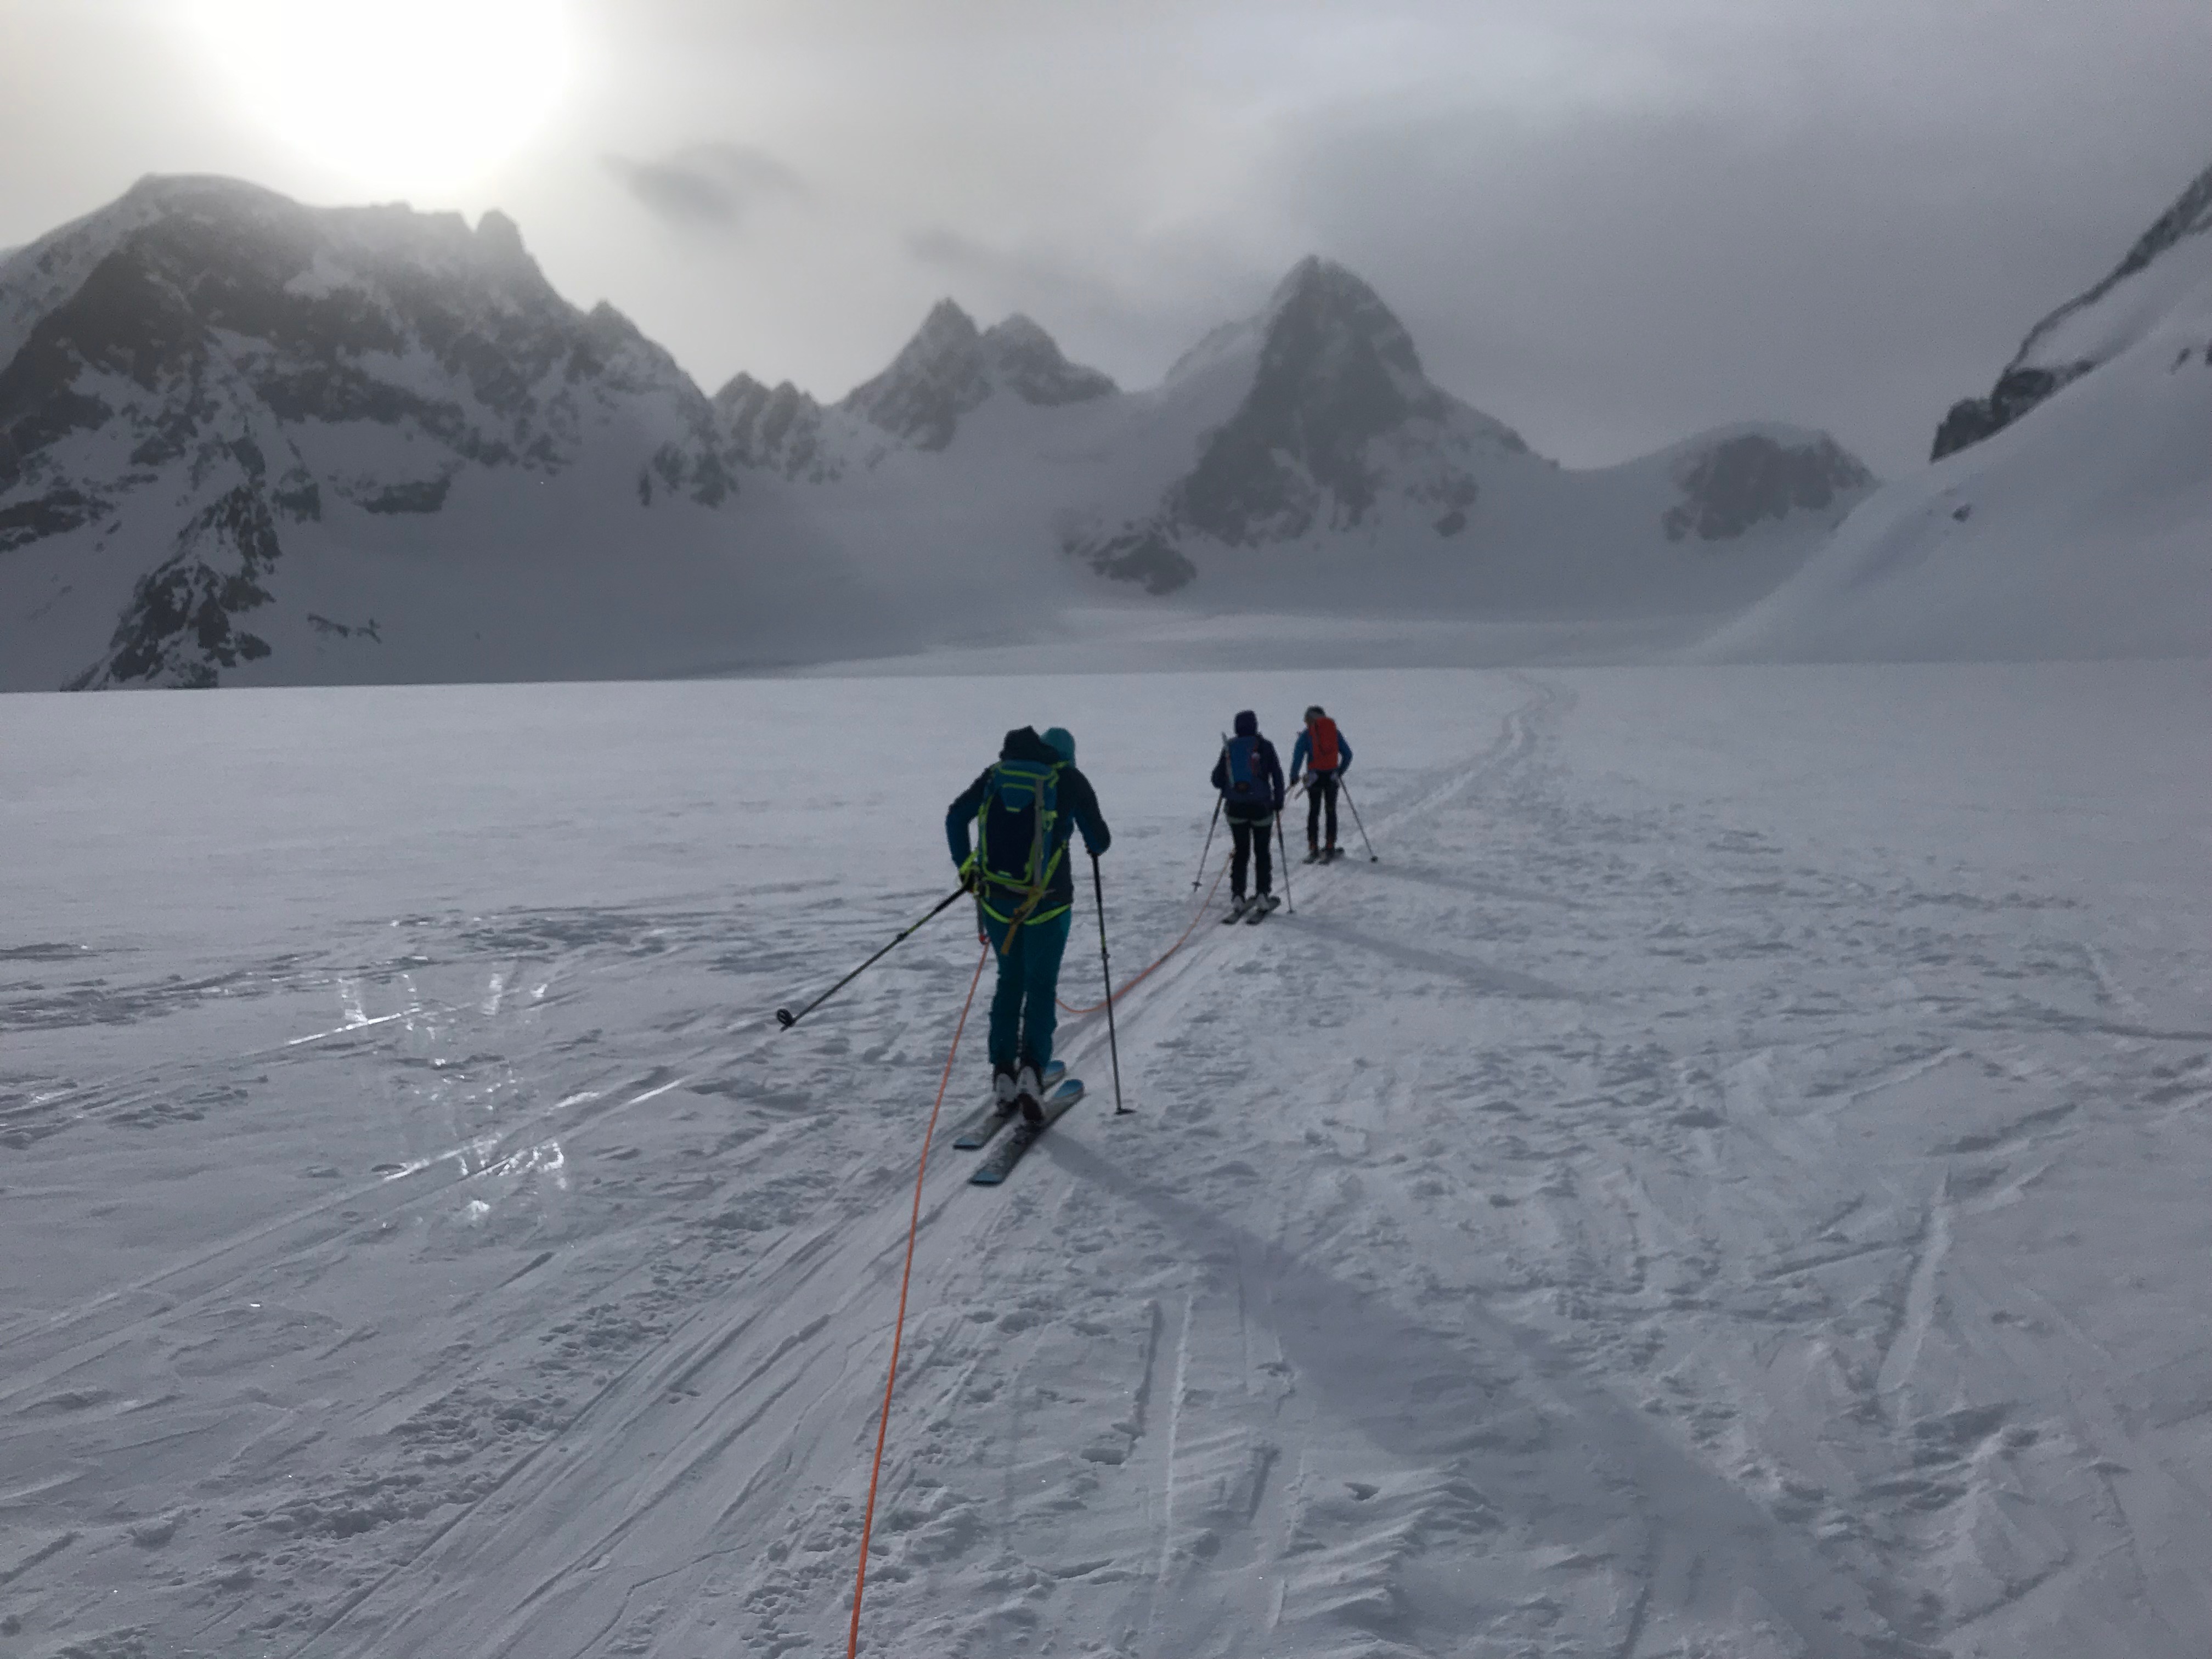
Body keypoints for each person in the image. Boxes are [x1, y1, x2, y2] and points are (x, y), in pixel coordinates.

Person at [946, 726, 1110, 1123]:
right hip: (1049, 904)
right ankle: (1032, 1073)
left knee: (1010, 980)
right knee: (1040, 985)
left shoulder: (997, 775)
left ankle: (1003, 1072)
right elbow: (1101, 841)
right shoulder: (1070, 780)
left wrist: (967, 868)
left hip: (998, 902)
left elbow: (955, 818)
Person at [1209, 709, 1284, 915]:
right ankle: (1262, 894)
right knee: (1262, 851)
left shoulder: (1230, 747)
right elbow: (1277, 775)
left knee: (1241, 851)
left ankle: (1238, 895)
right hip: (1261, 807)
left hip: (1235, 808)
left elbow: (1217, 780)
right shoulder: (1265, 746)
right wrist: (1278, 801)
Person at [1289, 704, 1353, 861]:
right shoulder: (1334, 732)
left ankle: (1313, 848)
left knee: (1314, 811)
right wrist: (1339, 771)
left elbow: (1298, 756)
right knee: (1331, 811)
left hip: (1314, 778)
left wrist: (1294, 776)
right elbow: (1348, 754)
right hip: (1331, 777)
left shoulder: (1307, 735)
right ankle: (1330, 846)